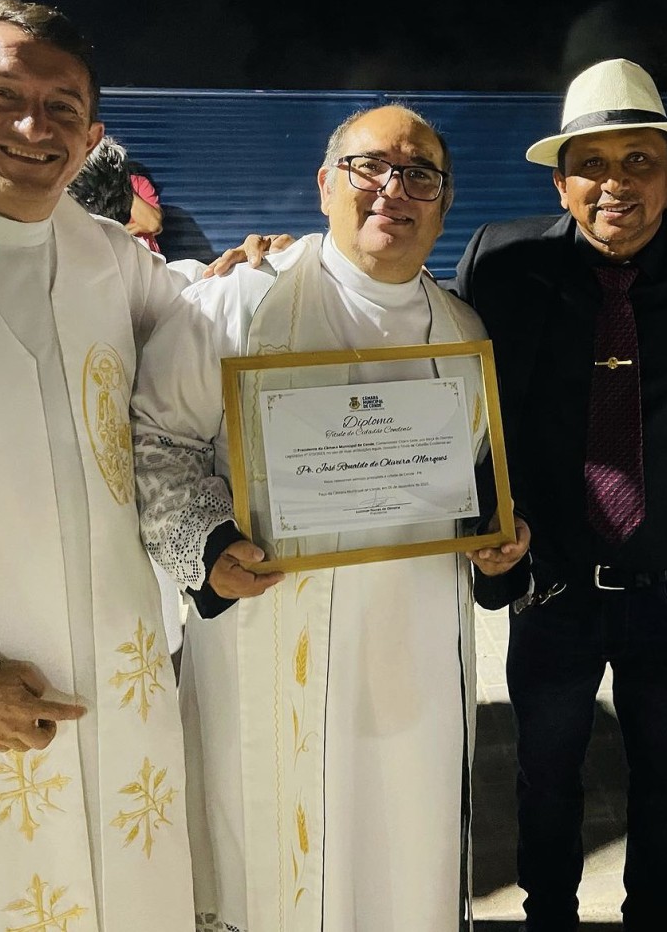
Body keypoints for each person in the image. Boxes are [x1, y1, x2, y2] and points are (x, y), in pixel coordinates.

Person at [129, 103, 529, 932]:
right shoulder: (240, 304)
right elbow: (154, 438)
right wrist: (206, 549)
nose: (393, 189)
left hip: (413, 650)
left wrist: (496, 547)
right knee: (277, 861)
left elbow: (472, 480)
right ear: (324, 184)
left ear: (444, 203)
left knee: (405, 854)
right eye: (369, 166)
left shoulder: (462, 329)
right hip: (272, 638)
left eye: (419, 174)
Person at [451, 58, 667, 931]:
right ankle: (550, 918)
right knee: (545, 777)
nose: (616, 185)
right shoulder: (504, 264)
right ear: (561, 179)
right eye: (592, 165)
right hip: (553, 589)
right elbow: (418, 347)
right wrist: (273, 262)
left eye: (639, 161)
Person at [0, 0, 197, 931]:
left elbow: (213, 355)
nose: (35, 126)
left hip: (121, 692)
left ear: (94, 136)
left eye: (63, 107)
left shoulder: (116, 263)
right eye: (4, 94)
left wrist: (270, 269)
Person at [68, 134, 164, 251]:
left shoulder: (138, 183)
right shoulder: (78, 188)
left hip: (142, 256)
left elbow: (152, 224)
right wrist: (133, 228)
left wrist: (120, 185)